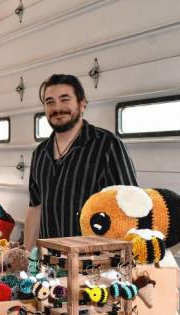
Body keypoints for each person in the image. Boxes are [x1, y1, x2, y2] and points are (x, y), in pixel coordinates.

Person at [24, 74, 138, 250]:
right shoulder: (39, 153)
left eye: (65, 99)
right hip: (50, 263)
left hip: (93, 265)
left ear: (82, 103)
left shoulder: (107, 146)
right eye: (50, 102)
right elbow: (35, 208)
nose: (57, 108)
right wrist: (27, 256)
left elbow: (130, 207)